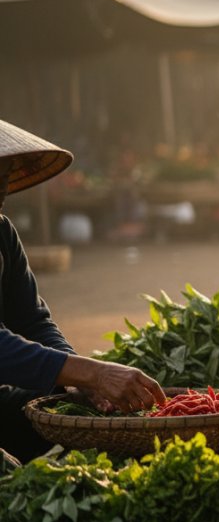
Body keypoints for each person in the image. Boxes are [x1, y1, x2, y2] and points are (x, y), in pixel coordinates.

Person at [0, 119, 166, 461]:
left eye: (4, 179)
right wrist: (95, 372)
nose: (2, 192)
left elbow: (32, 320)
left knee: (69, 415)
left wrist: (80, 382)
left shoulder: (2, 233)